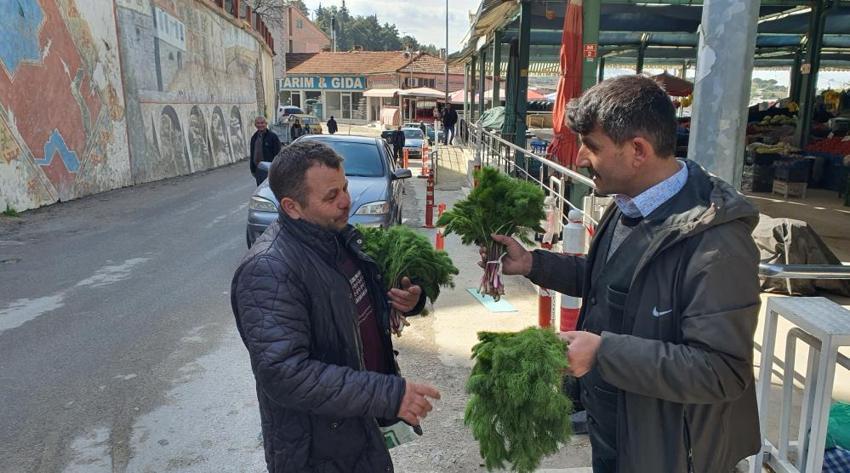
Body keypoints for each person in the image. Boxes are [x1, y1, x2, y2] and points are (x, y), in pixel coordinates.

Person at [491, 75, 761, 473]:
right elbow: (615, 283)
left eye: (592, 146)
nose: (580, 158)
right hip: (617, 429)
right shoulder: (629, 205)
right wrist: (534, 264)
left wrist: (603, 353)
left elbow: (720, 371)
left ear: (638, 150)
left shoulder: (716, 242)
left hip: (668, 450)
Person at [231, 140, 441, 473]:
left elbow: (355, 315)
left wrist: (411, 302)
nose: (347, 201)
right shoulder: (269, 269)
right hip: (318, 449)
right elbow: (285, 374)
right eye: (331, 196)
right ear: (292, 207)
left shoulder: (337, 238)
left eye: (344, 187)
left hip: (358, 424)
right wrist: (387, 394)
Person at [249, 116, 281, 186]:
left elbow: (278, 154)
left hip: (270, 169)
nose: (260, 125)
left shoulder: (273, 137)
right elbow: (252, 154)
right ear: (255, 125)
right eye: (258, 123)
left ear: (266, 124)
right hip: (258, 170)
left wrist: (276, 169)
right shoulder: (254, 138)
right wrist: (252, 169)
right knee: (260, 190)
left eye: (262, 123)